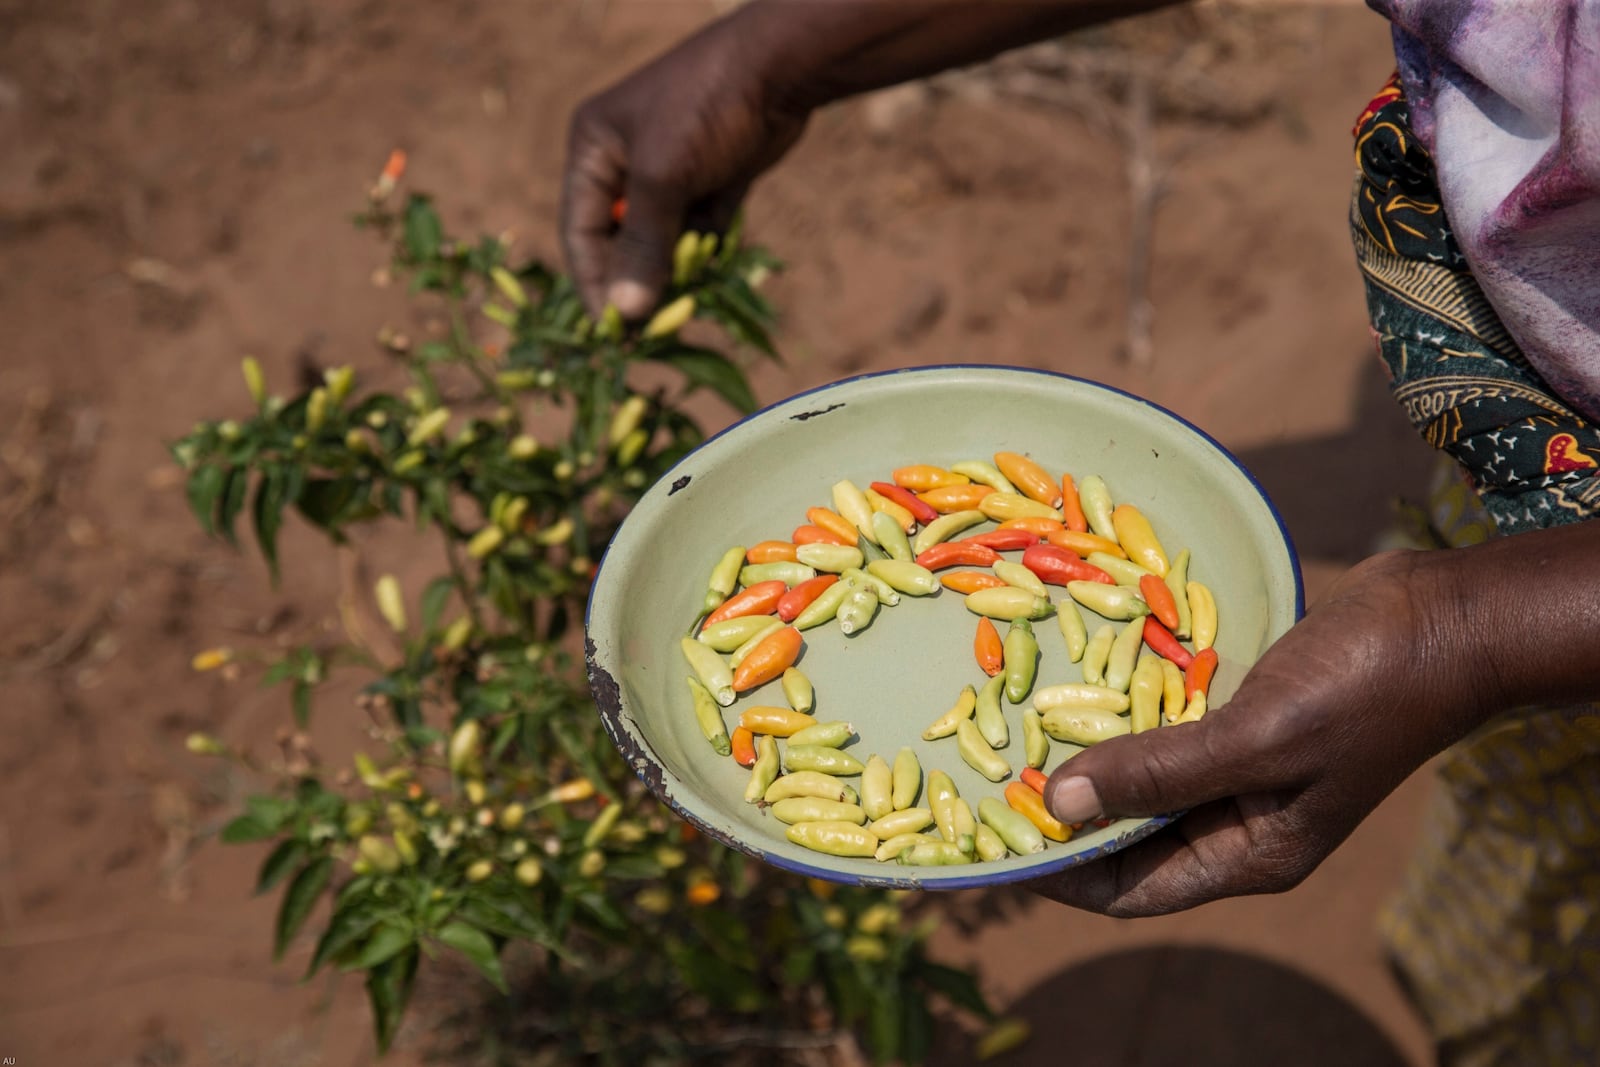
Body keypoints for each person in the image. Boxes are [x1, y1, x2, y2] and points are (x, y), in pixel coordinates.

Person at [559, 3, 1600, 1062]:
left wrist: (1472, 636)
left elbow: (1470, 633)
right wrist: (767, 60)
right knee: (1519, 838)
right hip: (1519, 435)